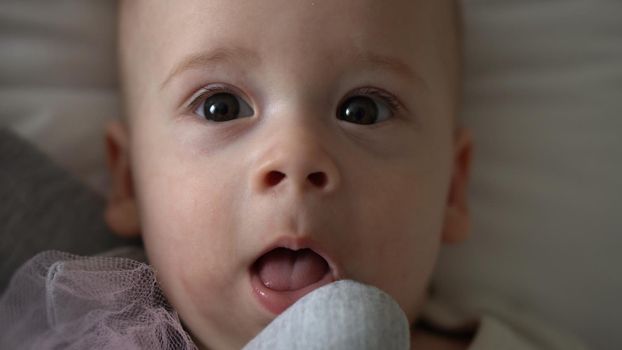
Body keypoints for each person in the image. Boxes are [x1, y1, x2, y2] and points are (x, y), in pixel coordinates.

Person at [0, 0, 587, 349]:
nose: (297, 157)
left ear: (453, 190)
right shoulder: (88, 328)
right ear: (128, 181)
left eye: (364, 111)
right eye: (220, 107)